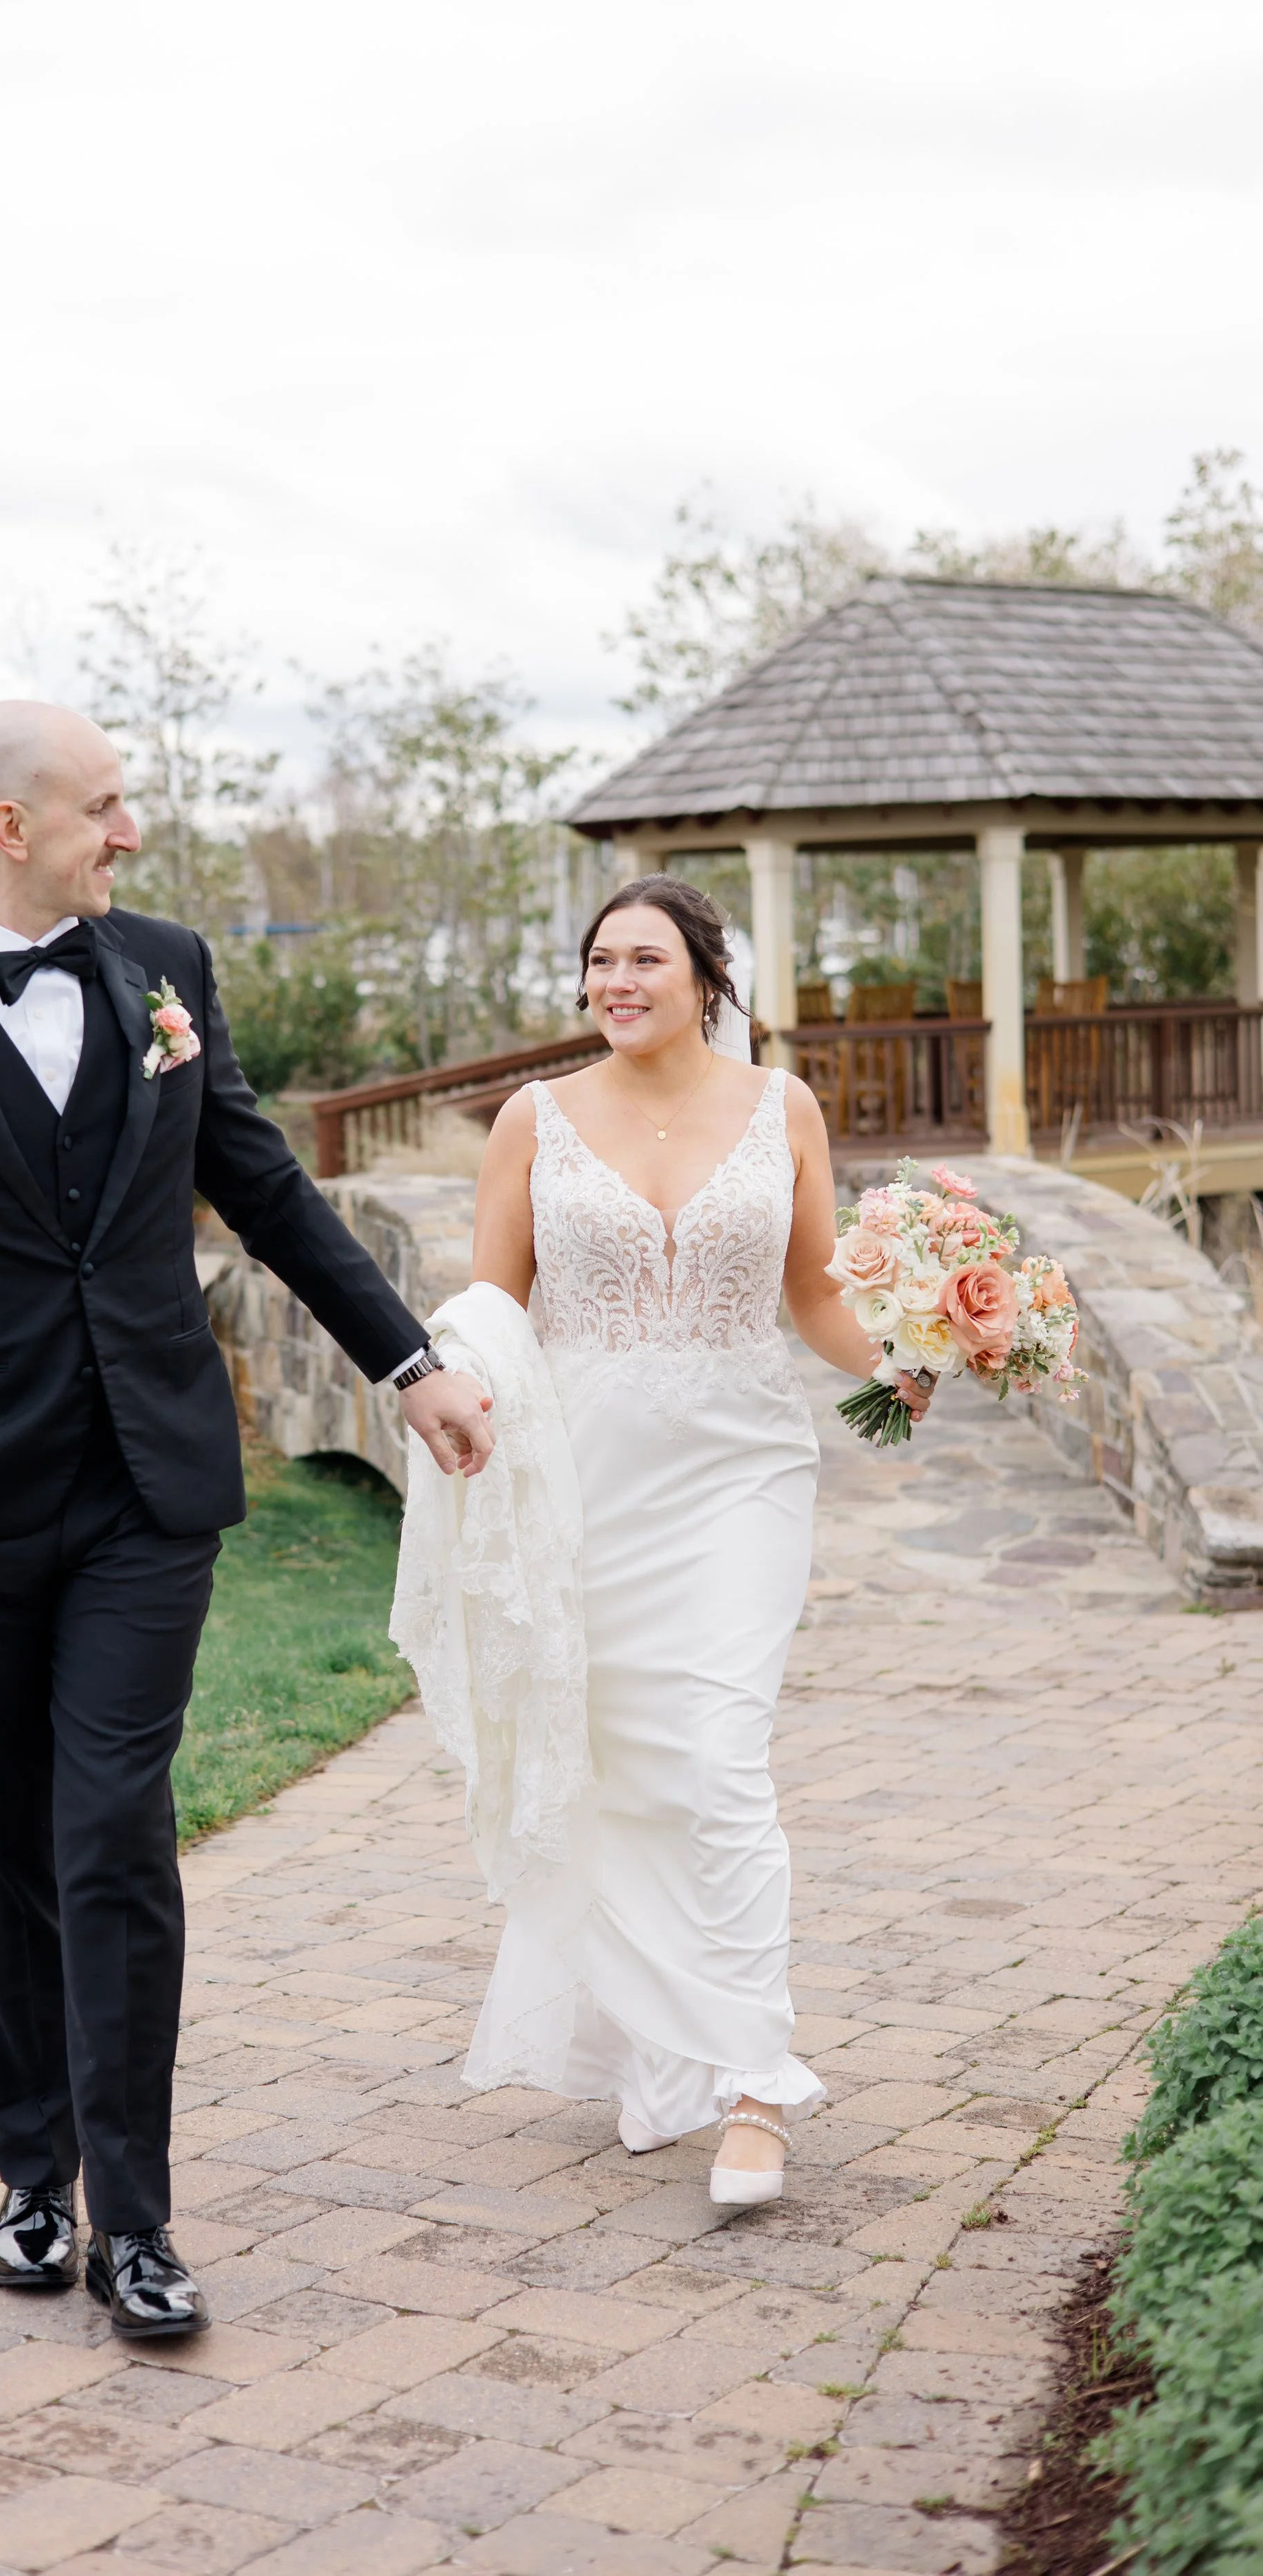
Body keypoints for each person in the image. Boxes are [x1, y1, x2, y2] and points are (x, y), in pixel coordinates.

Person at [0, 700, 492, 2334]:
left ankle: (137, 2221)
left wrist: (406, 1360)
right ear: (10, 826)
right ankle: (31, 2180)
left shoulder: (162, 963)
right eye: (107, 806)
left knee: (109, 1835)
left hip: (139, 1490)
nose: (133, 831)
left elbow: (261, 1181)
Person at [460, 874, 930, 2203]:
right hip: (585, 1481)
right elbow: (495, 1306)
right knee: (620, 1760)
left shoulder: (782, 1107)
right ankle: (664, 2041)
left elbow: (813, 1290)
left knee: (721, 1755)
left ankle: (754, 2083)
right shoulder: (531, 1121)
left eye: (646, 959)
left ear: (706, 975)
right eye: (600, 960)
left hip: (742, 1471)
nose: (617, 981)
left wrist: (901, 1352)